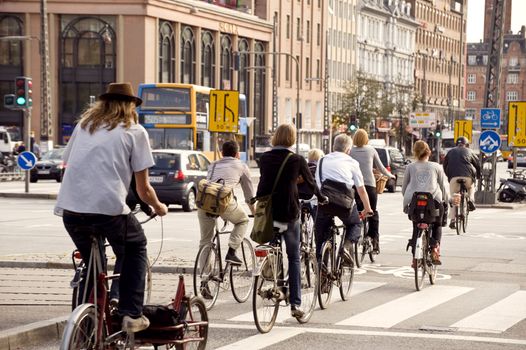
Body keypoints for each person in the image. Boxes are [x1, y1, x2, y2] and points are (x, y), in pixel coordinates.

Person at [54, 82, 168, 333]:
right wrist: (159, 206)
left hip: (71, 211)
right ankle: (130, 313)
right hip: (108, 211)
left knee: (93, 262)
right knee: (135, 247)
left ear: (102, 104)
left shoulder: (84, 127)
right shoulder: (135, 132)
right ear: (129, 106)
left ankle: (87, 318)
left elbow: (66, 162)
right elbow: (143, 190)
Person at [256, 123, 324, 319]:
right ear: (292, 139)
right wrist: (320, 197)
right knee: (294, 256)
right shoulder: (296, 159)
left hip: (268, 211)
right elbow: (311, 183)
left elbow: (264, 181)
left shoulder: (265, 158)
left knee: (273, 249)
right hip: (288, 211)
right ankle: (295, 304)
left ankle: (272, 282)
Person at [197, 140, 255, 297]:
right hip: (224, 203)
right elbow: (249, 195)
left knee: (205, 241)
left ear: (222, 153)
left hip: (204, 203)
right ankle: (231, 251)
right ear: (237, 154)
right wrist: (254, 211)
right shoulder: (241, 166)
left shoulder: (213, 164)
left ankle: (204, 281)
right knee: (243, 221)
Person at [314, 133, 373, 264]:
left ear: (334, 146)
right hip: (344, 203)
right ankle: (346, 247)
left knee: (320, 232)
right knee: (355, 224)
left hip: (324, 201)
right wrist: (367, 208)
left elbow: (318, 183)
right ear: (348, 150)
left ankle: (320, 263)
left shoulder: (322, 160)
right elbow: (361, 189)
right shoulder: (352, 163)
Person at [402, 140, 449, 265]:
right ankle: (434, 248)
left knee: (415, 225)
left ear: (415, 152)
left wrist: (407, 201)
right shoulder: (436, 167)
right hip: (433, 202)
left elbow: (404, 187)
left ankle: (414, 259)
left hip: (415, 203)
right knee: (437, 224)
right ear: (428, 152)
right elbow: (443, 187)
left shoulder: (410, 167)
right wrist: (446, 201)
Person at [350, 129, 395, 254]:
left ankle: (353, 235)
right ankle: (373, 240)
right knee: (373, 212)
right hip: (369, 186)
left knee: (356, 211)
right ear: (366, 139)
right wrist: (390, 176)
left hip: (354, 186)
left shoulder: (350, 151)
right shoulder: (371, 150)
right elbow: (381, 167)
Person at [442, 136, 480, 229]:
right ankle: (471, 199)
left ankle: (453, 220)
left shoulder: (450, 152)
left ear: (456, 144)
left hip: (454, 178)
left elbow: (444, 165)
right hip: (468, 177)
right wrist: (478, 176)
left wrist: (449, 176)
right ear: (466, 144)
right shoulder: (470, 151)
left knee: (454, 198)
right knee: (471, 188)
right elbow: (477, 164)